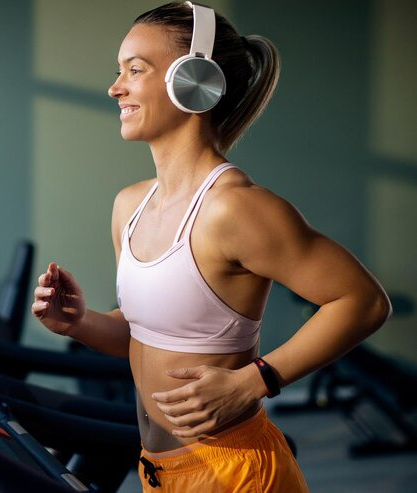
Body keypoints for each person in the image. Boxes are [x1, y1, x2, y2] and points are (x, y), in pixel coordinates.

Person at [31, 2, 392, 492]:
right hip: (160, 472)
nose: (115, 88)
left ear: (192, 79)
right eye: (119, 72)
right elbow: (146, 337)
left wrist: (255, 380)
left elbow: (364, 301)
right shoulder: (129, 206)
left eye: (135, 71)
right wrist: (79, 322)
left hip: (236, 473)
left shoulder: (235, 209)